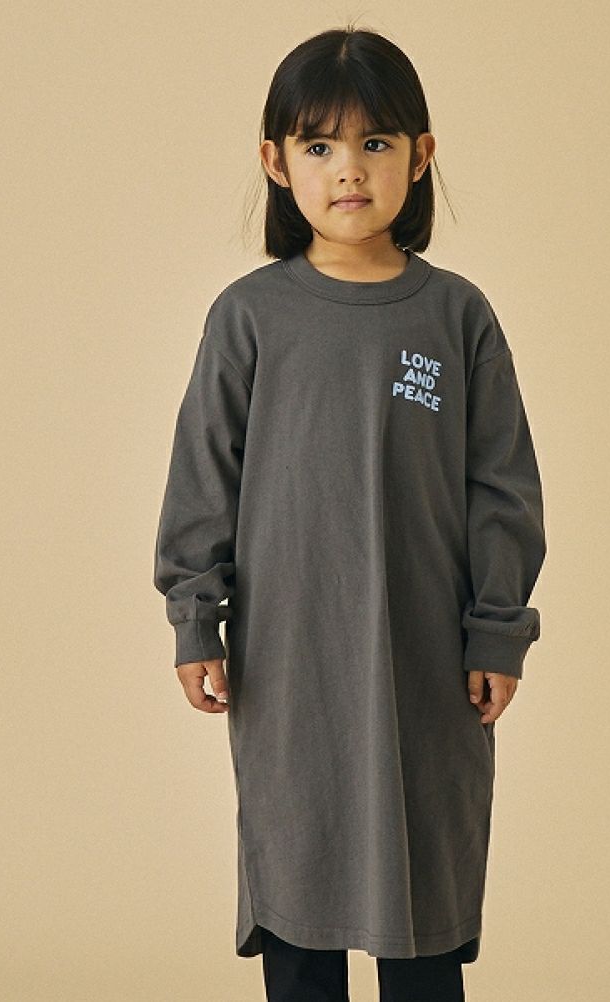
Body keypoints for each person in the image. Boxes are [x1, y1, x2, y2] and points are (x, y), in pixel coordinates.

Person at [153, 24, 547, 1002]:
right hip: (291, 671)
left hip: (428, 669)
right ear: (275, 162)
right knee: (300, 897)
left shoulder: (456, 317)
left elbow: (502, 486)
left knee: (423, 906)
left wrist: (498, 630)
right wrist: (197, 617)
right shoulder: (250, 317)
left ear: (421, 154)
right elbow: (204, 475)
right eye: (320, 144)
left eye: (376, 143)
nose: (349, 170)